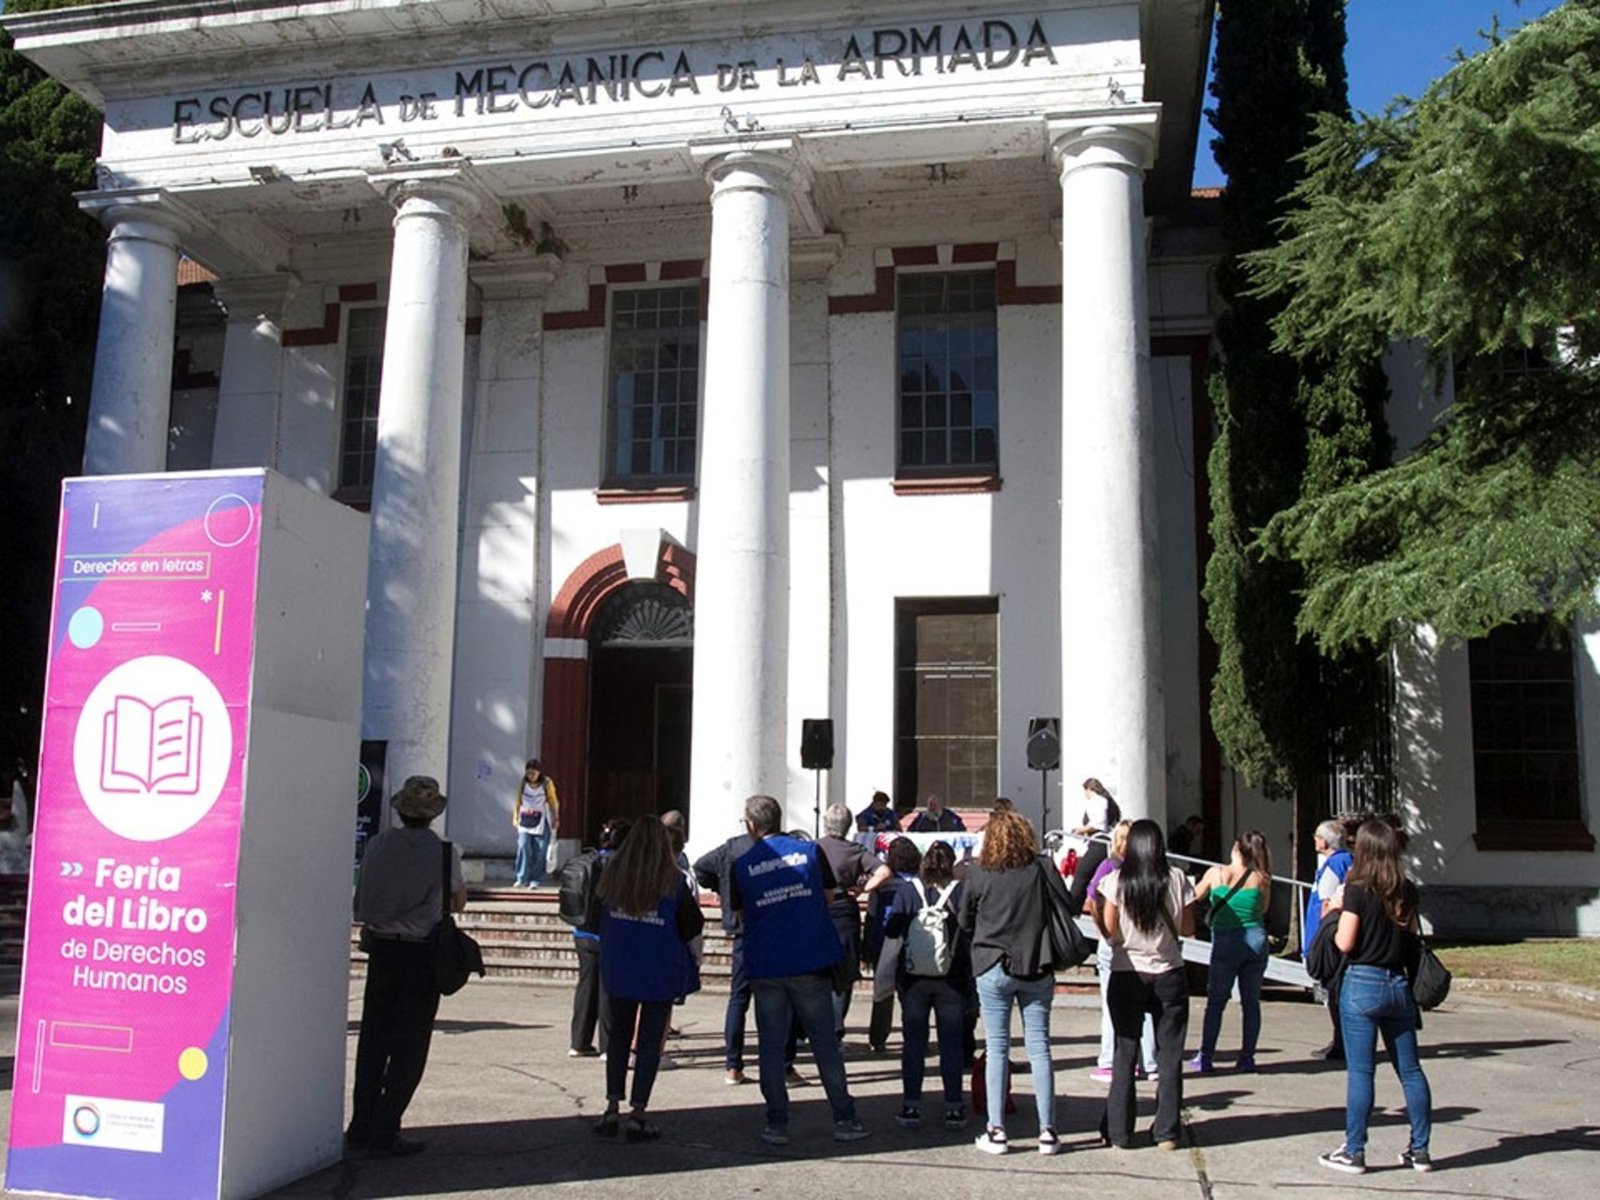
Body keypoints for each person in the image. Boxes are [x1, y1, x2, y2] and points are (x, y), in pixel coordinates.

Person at [731, 794, 870, 1146]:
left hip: (766, 965)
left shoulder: (742, 864)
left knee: (771, 1046)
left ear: (750, 825)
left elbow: (742, 916)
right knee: (824, 1043)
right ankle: (844, 1118)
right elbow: (828, 897)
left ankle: (776, 1122)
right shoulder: (809, 852)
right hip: (807, 960)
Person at [347, 775, 466, 1158]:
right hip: (420, 953)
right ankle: (386, 1126)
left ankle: (360, 1124)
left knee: (373, 1041)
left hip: (382, 951)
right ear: (432, 815)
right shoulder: (444, 853)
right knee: (409, 1047)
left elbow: (362, 896)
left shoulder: (378, 844)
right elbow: (457, 902)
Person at [1318, 818, 1434, 1176]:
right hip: (1398, 984)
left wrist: (1334, 912)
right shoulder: (1406, 890)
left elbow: (1345, 942)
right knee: (1411, 1069)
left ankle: (1354, 1150)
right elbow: (1412, 936)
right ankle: (1420, 1149)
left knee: (1362, 1070)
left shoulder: (1357, 888)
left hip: (1362, 982)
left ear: (1363, 849)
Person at [957, 806, 1064, 1157]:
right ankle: (1048, 1131)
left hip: (992, 965)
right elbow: (1066, 903)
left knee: (997, 1048)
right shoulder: (1041, 868)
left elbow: (964, 919)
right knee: (1040, 1047)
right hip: (1037, 962)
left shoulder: (979, 873)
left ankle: (996, 1129)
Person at [594, 816, 703, 1141]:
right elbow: (692, 927)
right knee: (649, 1044)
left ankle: (612, 1107)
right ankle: (638, 1113)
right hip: (658, 970)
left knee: (618, 1039)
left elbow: (596, 917)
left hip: (620, 967)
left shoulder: (612, 877)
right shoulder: (673, 881)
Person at [1095, 818, 1194, 1151]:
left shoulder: (1115, 881)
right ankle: (1167, 1131)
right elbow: (1189, 928)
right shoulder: (1177, 878)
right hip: (1169, 973)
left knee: (1125, 1052)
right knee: (1170, 1056)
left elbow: (1110, 933)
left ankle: (1120, 1132)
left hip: (1126, 973)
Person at [887, 840, 970, 1131]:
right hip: (952, 979)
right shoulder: (960, 892)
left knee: (913, 1043)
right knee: (951, 1043)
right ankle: (953, 1107)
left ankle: (911, 1106)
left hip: (913, 979)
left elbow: (892, 930)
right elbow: (971, 929)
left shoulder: (908, 891)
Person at [1190, 830, 1272, 1073]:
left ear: (1236, 847)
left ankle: (1206, 1056)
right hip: (1256, 937)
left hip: (1225, 939)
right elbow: (1264, 909)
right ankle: (1247, 1057)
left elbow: (1194, 896)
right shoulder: (1261, 877)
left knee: (1216, 1002)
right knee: (1251, 1002)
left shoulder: (1217, 873)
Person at [1085, 820, 1156, 1085]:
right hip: (1144, 938)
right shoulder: (1149, 869)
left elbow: (1092, 900)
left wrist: (1104, 931)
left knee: (1112, 1004)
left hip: (1116, 940)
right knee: (1146, 1007)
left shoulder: (1109, 867)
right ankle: (1149, 1062)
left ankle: (1109, 1061)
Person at [818, 803, 892, 1044]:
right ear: (848, 826)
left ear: (826, 824)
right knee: (844, 974)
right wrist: (861, 889)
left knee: (816, 971)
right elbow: (884, 872)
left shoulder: (813, 847)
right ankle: (836, 1028)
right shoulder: (856, 850)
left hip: (817, 910)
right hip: (845, 911)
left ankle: (811, 1028)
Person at [567, 818, 629, 1058]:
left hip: (582, 932)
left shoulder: (584, 861)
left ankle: (579, 1042)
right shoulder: (623, 865)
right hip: (610, 933)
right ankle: (608, 1045)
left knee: (585, 986)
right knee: (608, 989)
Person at [864, 836, 922, 1053]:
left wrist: (868, 944)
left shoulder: (883, 882)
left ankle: (878, 1037)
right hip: (913, 939)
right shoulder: (920, 881)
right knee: (912, 992)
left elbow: (872, 911)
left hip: (886, 937)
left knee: (883, 990)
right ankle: (916, 1036)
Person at [1306, 818, 1354, 1060]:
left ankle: (1341, 1043)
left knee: (1333, 991)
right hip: (1335, 931)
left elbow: (1327, 901)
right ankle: (1341, 1040)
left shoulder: (1335, 863)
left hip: (1328, 934)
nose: (1314, 839)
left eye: (1316, 836)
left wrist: (1320, 936)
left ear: (1325, 841)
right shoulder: (1345, 860)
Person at [1066, 777, 1121, 911]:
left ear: (1089, 789)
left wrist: (1081, 829)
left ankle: (1073, 906)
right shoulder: (1105, 801)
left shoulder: (1096, 800)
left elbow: (1098, 823)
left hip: (1098, 842)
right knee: (1096, 876)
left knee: (1082, 874)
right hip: (1102, 842)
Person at [512, 758, 558, 888]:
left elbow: (553, 802)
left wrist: (555, 818)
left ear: (539, 773)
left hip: (542, 821)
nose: (531, 776)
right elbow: (518, 800)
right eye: (529, 773)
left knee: (540, 850)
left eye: (534, 773)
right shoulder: (523, 783)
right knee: (523, 846)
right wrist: (515, 817)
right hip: (525, 819)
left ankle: (536, 879)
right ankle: (521, 877)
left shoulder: (547, 783)